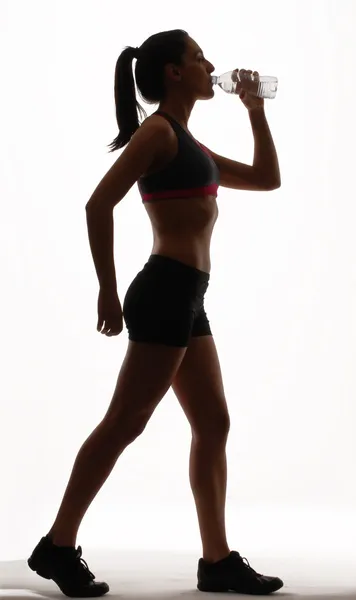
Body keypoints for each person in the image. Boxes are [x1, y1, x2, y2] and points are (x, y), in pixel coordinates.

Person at [27, 29, 282, 598]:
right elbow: (98, 204)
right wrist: (107, 292)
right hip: (163, 291)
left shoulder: (188, 142)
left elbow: (268, 179)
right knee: (126, 421)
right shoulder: (158, 133)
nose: (209, 64)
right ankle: (57, 546)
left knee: (213, 423)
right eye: (198, 58)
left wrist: (255, 110)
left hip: (188, 295)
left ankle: (216, 561)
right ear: (173, 72)